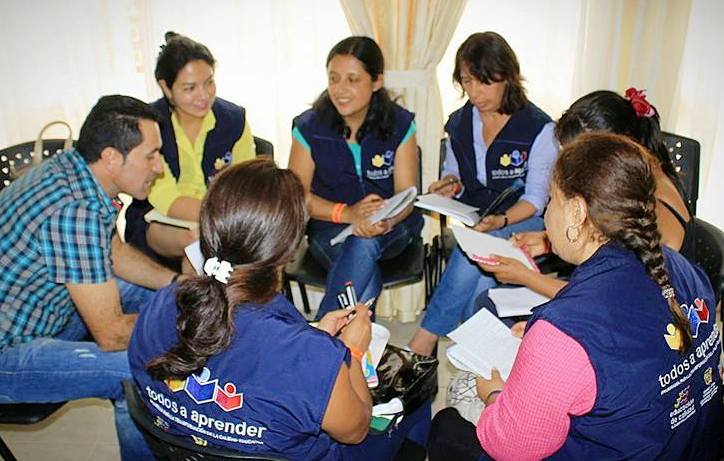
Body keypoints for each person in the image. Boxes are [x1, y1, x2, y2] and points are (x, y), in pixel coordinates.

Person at [427, 133, 722, 461]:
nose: (547, 214)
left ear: (577, 211)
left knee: (447, 425)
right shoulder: (682, 267)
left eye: (552, 200)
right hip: (691, 449)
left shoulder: (566, 330)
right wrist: (548, 345)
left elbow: (513, 447)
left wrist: (494, 394)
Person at [129, 159, 430, 460]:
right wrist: (351, 352)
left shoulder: (161, 304)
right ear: (289, 249)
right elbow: (356, 430)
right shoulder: (309, 354)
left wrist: (318, 342)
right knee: (419, 389)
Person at [0, 95, 179, 460]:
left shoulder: (77, 170)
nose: (159, 167)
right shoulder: (75, 210)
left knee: (164, 298)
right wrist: (188, 325)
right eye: (150, 155)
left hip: (41, 311)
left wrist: (179, 286)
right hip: (8, 351)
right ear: (111, 157)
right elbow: (111, 334)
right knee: (138, 370)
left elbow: (115, 254)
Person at [474, 88, 695, 327]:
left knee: (493, 307)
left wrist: (526, 277)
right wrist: (548, 241)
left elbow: (603, 298)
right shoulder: (637, 180)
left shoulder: (640, 204)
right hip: (622, 297)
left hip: (641, 317)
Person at [408, 32, 558, 355]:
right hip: (479, 219)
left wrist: (500, 221)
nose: (475, 92)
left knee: (476, 248)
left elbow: (535, 201)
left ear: (508, 77)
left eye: (484, 82)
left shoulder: (539, 128)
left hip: (525, 221)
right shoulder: (459, 123)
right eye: (467, 81)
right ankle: (480, 352)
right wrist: (449, 184)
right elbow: (455, 172)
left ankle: (425, 338)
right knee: (480, 277)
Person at [288, 36, 423, 320]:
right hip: (330, 230)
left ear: (376, 81)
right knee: (364, 273)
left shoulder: (400, 124)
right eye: (334, 79)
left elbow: (407, 194)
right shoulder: (309, 127)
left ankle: (322, 334)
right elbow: (296, 195)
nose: (340, 90)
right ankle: (348, 344)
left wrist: (385, 220)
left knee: (364, 243)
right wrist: (347, 213)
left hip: (392, 227)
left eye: (352, 80)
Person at [125, 31, 256, 271]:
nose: (204, 95)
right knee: (196, 242)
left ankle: (204, 295)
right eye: (190, 88)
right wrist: (224, 219)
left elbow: (244, 184)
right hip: (159, 219)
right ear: (166, 87)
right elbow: (167, 199)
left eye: (209, 82)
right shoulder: (150, 126)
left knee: (201, 255)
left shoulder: (234, 120)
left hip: (221, 220)